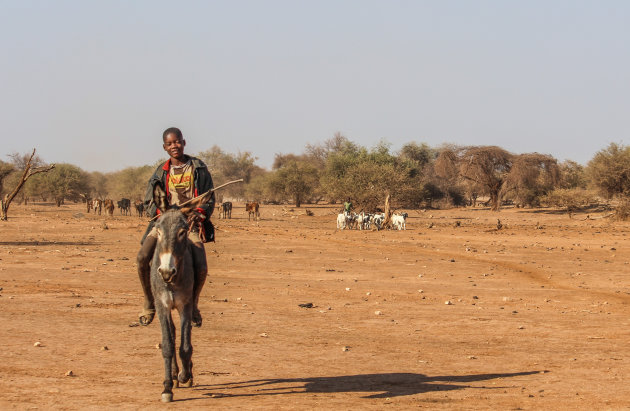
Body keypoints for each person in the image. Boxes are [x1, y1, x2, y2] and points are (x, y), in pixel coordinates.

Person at [136, 127, 215, 327]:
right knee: (142, 257)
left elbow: (209, 198)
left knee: (202, 266)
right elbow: (149, 202)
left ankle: (194, 303)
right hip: (164, 223)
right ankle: (148, 302)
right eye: (170, 144)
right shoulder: (160, 172)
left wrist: (199, 214)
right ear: (164, 147)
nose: (174, 146)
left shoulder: (198, 168)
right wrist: (162, 216)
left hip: (188, 224)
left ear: (184, 142)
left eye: (177, 142)